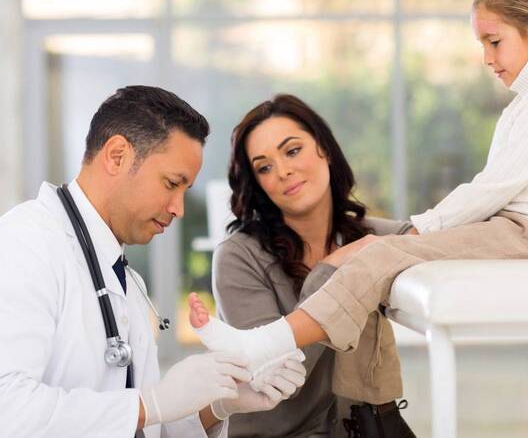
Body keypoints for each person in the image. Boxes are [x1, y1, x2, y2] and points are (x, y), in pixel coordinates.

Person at [190, 0, 528, 410]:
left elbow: (492, 188)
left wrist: (421, 229)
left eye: (493, 42)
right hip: (525, 231)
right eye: (264, 167)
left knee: (378, 254)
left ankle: (267, 344)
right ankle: (362, 414)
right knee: (377, 252)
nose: (486, 58)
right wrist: (398, 241)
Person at [0, 85, 306, 438]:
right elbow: (8, 409)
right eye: (171, 184)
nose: (178, 208)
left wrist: (220, 403)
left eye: (184, 190)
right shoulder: (24, 243)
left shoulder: (127, 282)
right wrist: (149, 404)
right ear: (117, 156)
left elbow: (149, 430)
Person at [189, 94, 412, 437]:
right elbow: (276, 377)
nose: (283, 171)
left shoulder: (366, 238)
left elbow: (442, 238)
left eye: (292, 151)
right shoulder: (238, 257)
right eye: (264, 167)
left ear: (323, 147)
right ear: (258, 183)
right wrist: (331, 270)